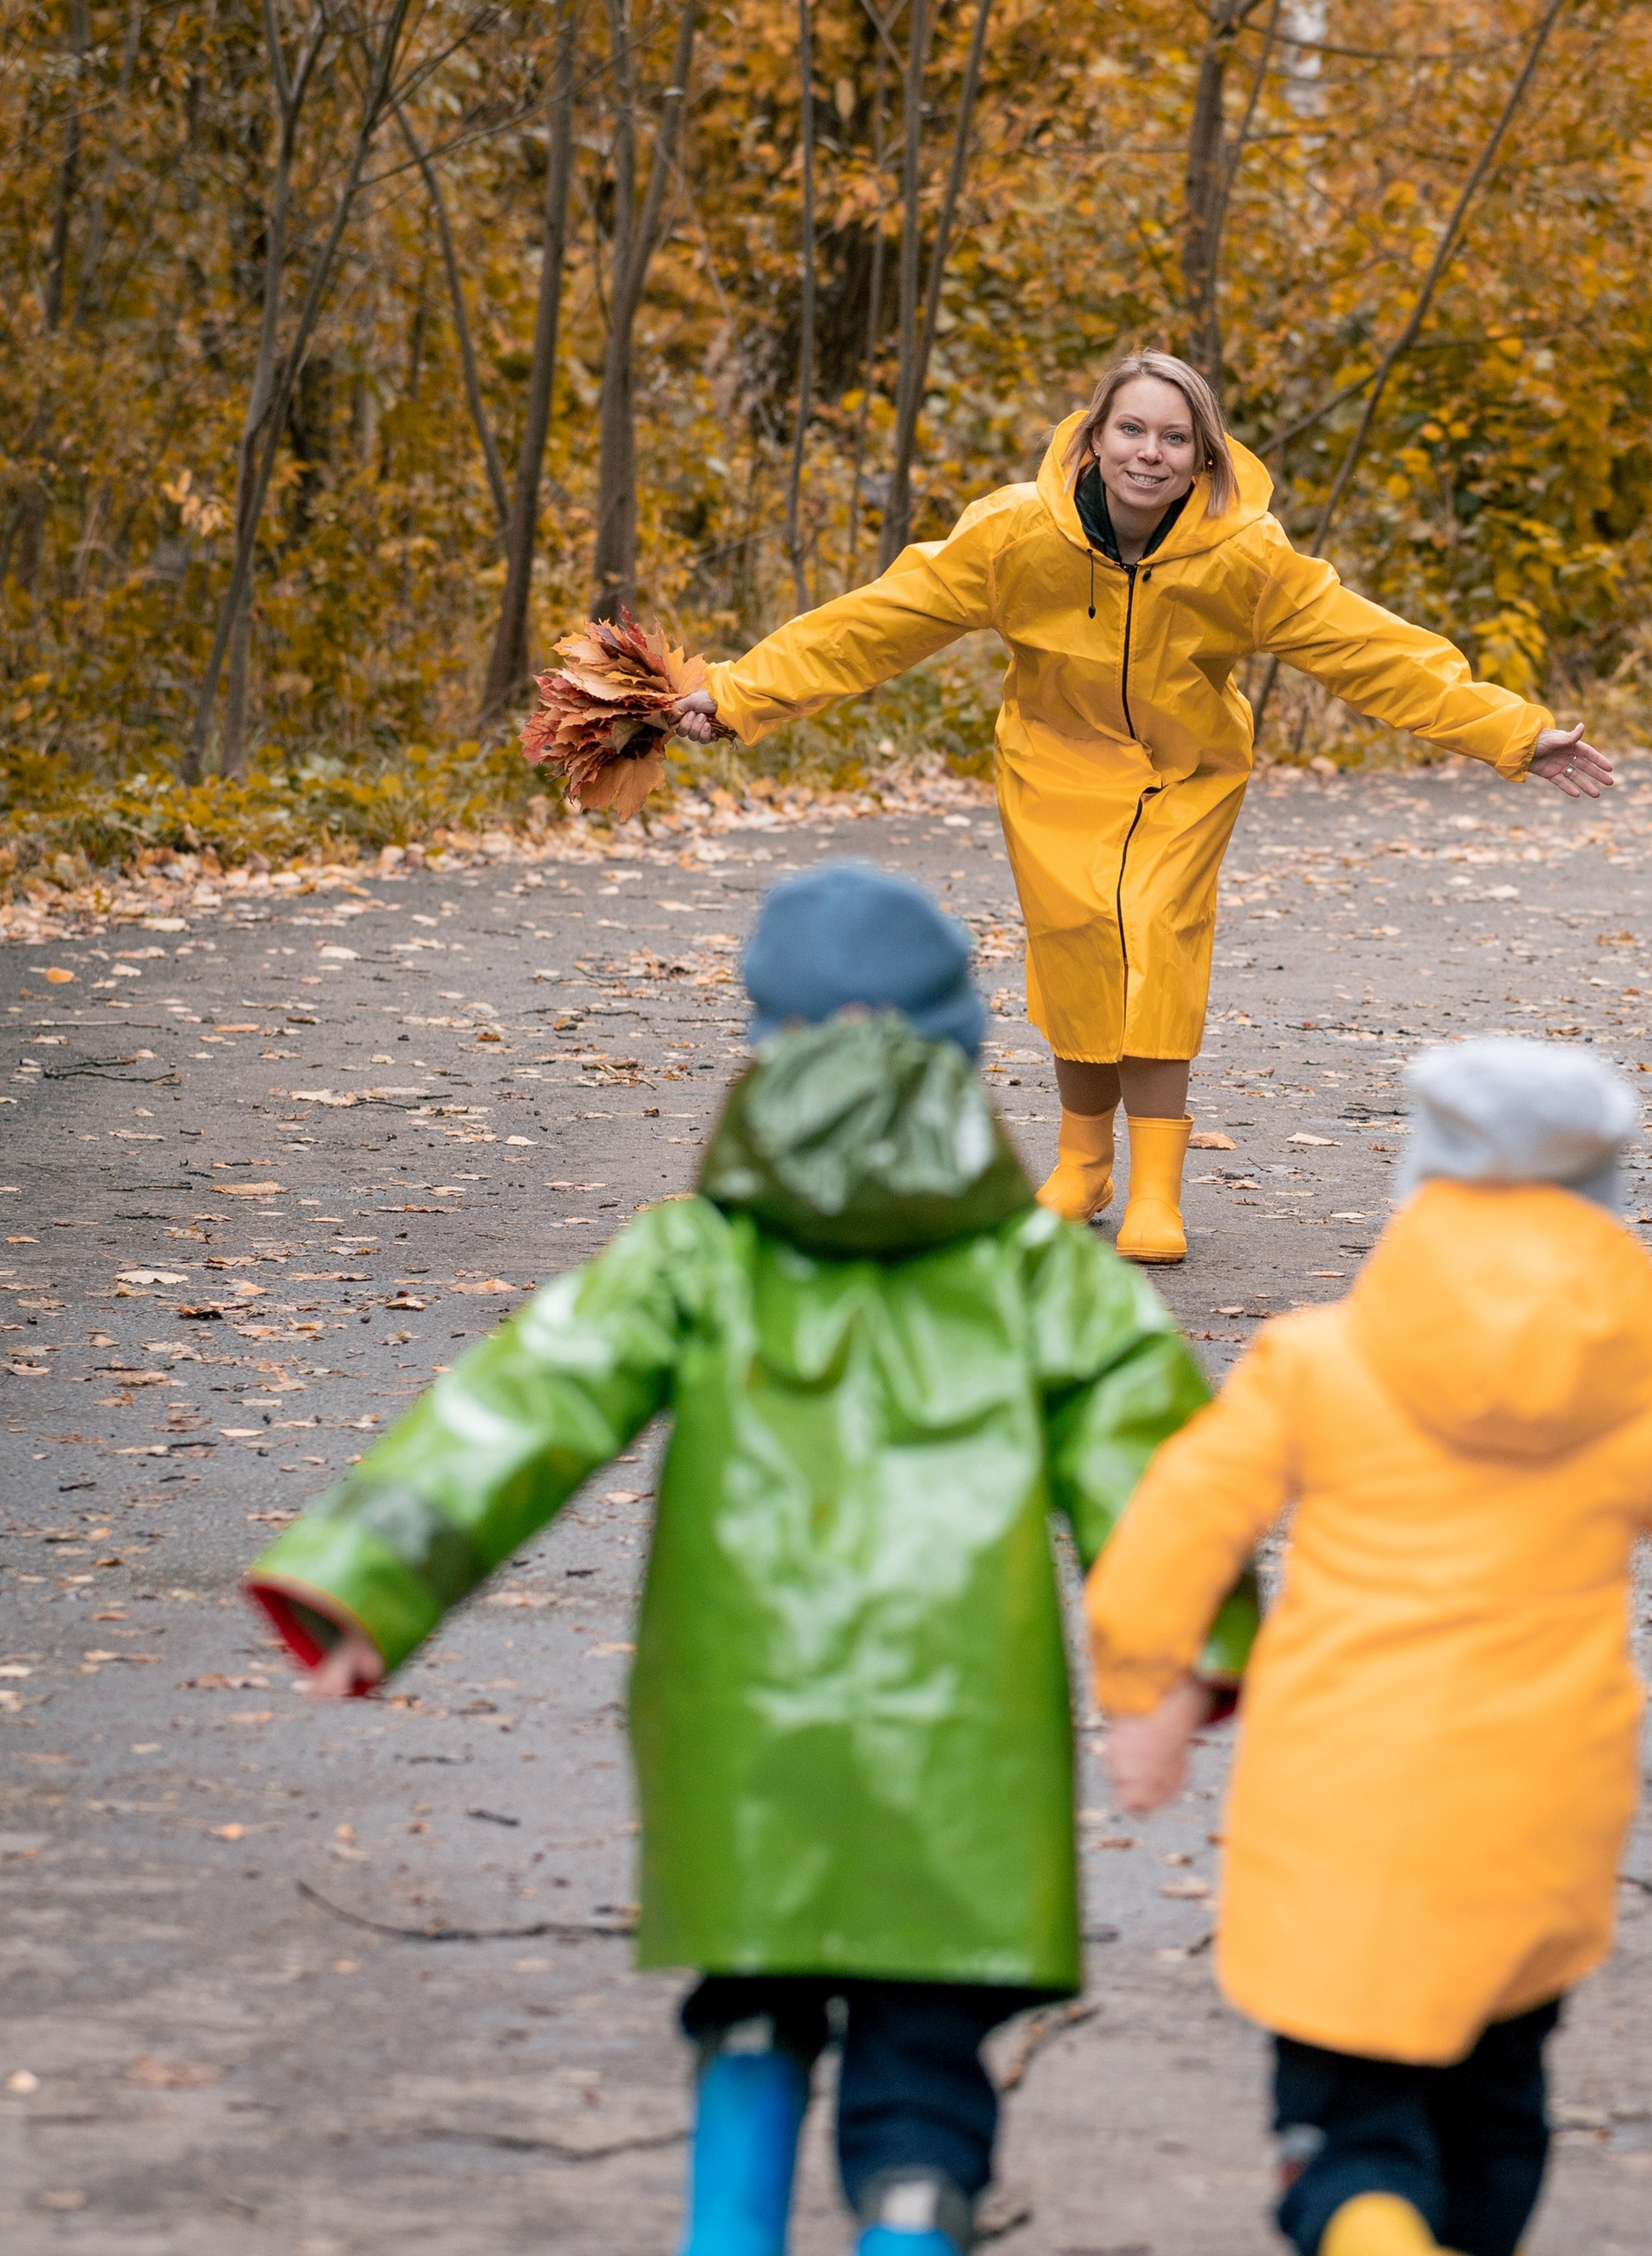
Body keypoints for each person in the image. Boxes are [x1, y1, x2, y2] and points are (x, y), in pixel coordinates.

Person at [241, 863, 1256, 2256]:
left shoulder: (695, 1258)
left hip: (744, 1721)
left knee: (756, 2005)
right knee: (923, 2060)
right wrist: (1173, 1670)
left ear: (767, 1051)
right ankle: (908, 2220)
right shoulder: (1044, 1276)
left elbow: (522, 1404)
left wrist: (369, 1579)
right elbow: (1159, 1477)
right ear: (960, 1060)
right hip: (961, 1734)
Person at [1080, 1038, 1652, 2256]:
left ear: (1421, 1182)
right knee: (1496, 2118)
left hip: (1335, 1810)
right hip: (1537, 1818)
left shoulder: (1316, 1360)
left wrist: (1148, 1687)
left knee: (1353, 2139)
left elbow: (1179, 1521)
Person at [663, 349, 1614, 1266]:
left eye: (1172, 438)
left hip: (1183, 771)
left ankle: (1157, 1186)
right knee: (1077, 938)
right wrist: (742, 693)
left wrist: (1512, 732)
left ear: (1203, 457)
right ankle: (1082, 1165)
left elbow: (1371, 649)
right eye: (1130, 430)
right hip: (1054, 765)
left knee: (1153, 934)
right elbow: (876, 621)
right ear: (1092, 437)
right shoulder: (1014, 536)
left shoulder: (1243, 555)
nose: (1147, 453)